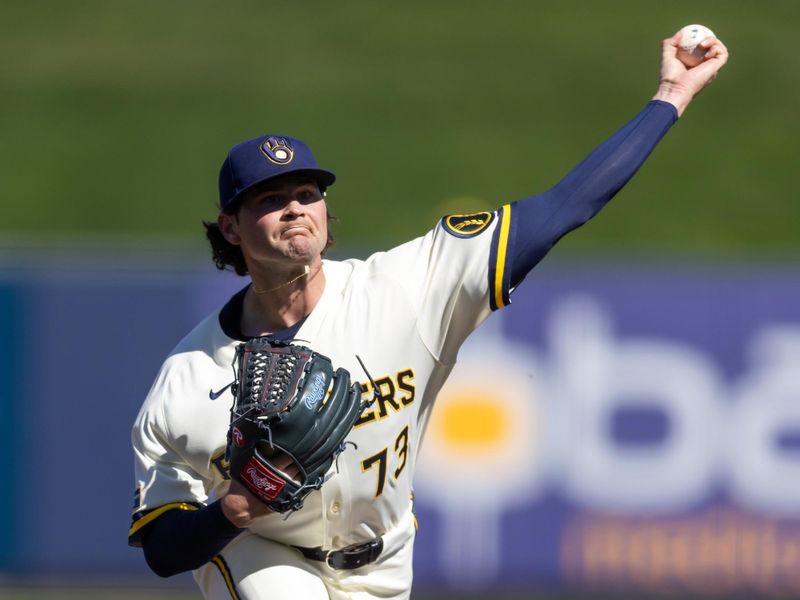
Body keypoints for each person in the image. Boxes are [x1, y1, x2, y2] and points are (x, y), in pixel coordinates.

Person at [129, 30, 728, 600]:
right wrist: (232, 508)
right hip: (263, 553)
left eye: (307, 194)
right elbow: (162, 547)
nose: (295, 209)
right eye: (269, 199)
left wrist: (671, 96)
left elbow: (563, 207)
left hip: (385, 560)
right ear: (230, 227)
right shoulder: (187, 378)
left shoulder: (407, 287)